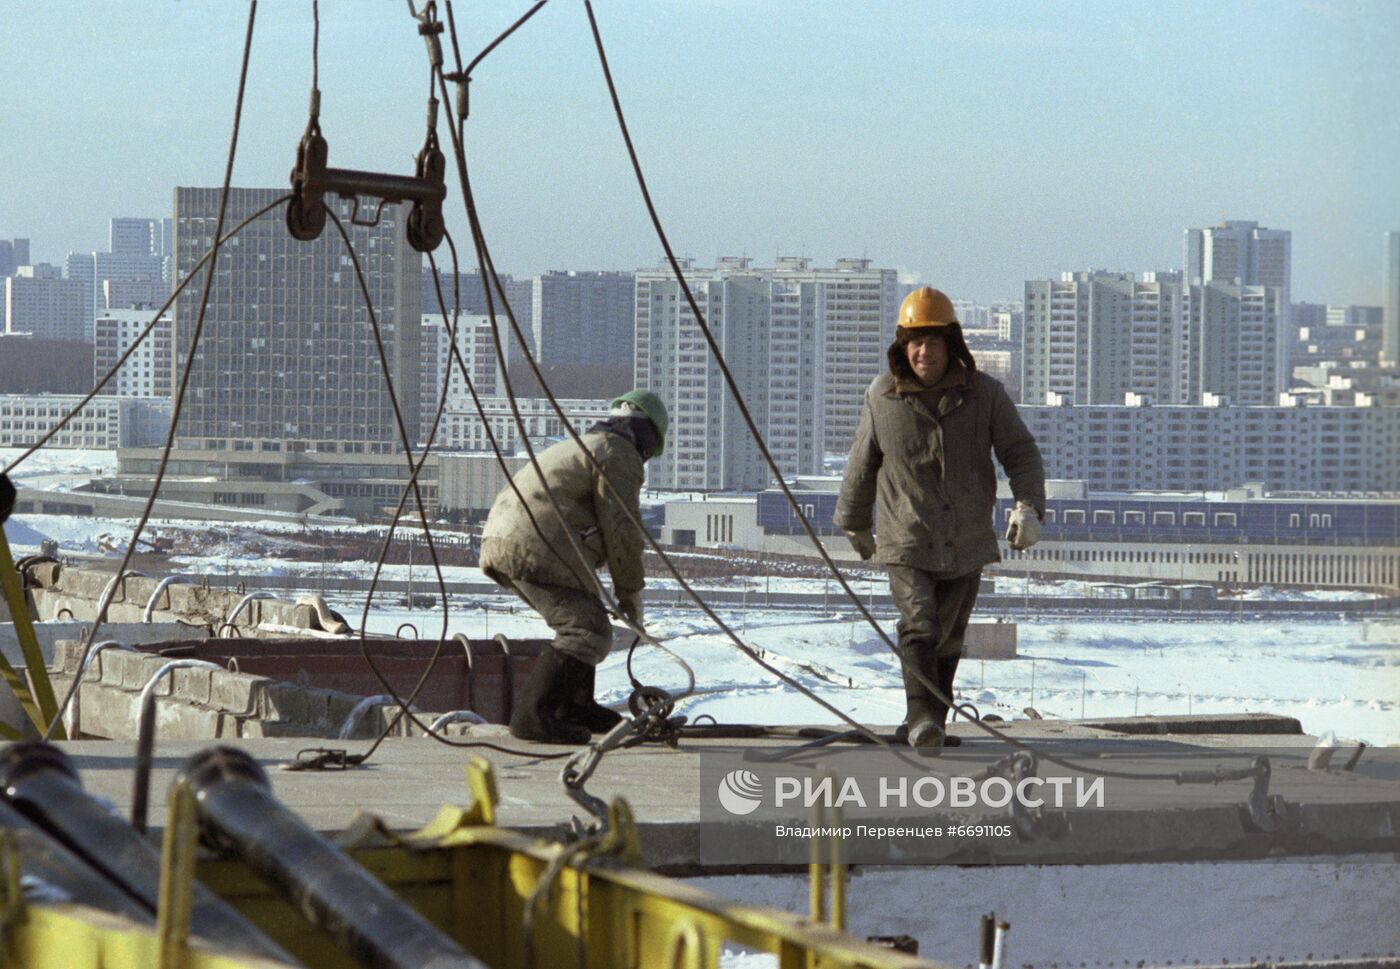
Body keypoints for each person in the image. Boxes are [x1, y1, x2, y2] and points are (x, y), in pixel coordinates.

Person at [834, 287, 1045, 752]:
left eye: (932, 342)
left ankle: (929, 724)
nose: (923, 352)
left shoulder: (984, 395)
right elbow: (862, 461)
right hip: (906, 537)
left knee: (948, 639)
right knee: (919, 625)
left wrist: (1029, 506)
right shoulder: (882, 396)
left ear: (951, 344)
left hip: (966, 539)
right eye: (915, 342)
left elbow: (1020, 452)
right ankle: (924, 720)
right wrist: (853, 521)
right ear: (902, 347)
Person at [480, 390, 668, 744]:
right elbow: (622, 528)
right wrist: (630, 592)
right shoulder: (617, 452)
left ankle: (573, 707)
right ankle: (532, 716)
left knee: (588, 621)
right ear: (649, 437)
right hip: (536, 543)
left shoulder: (587, 446)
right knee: (584, 630)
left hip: (512, 538)